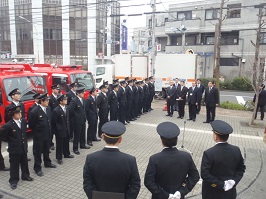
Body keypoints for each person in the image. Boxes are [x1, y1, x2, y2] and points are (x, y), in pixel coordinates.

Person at [83, 121, 141, 199]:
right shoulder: (130, 160)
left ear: (103, 137)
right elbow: (135, 185)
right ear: (120, 139)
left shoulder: (91, 158)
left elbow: (87, 183)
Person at [144, 122, 200, 199]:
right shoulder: (186, 156)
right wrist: (182, 191)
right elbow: (195, 176)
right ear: (176, 140)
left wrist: (165, 195)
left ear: (161, 139)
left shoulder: (155, 159)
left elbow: (148, 182)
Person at [201, 120, 246, 199]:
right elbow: (241, 168)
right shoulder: (236, 150)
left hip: (212, 192)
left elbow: (205, 174)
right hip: (229, 193)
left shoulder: (209, 153)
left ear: (216, 136)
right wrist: (234, 181)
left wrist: (221, 184)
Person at [0, 106, 34, 189]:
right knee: (14, 165)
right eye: (17, 113)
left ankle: (25, 175)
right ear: (13, 115)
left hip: (23, 146)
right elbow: (3, 137)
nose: (20, 114)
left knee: (24, 162)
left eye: (20, 113)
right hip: (14, 149)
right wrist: (11, 142)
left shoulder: (22, 121)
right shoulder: (8, 125)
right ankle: (13, 180)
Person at [28, 93, 57, 177]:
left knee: (46, 150)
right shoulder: (34, 111)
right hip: (39, 136)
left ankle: (47, 162)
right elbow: (31, 125)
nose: (48, 101)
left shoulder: (48, 108)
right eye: (46, 100)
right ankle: (37, 168)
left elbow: (49, 121)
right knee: (38, 153)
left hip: (47, 134)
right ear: (41, 101)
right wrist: (38, 132)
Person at [51, 94, 74, 165]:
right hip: (59, 130)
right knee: (59, 144)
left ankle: (66, 153)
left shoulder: (66, 108)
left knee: (66, 142)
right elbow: (53, 122)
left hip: (66, 129)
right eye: (64, 100)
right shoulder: (56, 110)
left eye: (66, 99)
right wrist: (56, 131)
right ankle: (59, 157)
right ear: (60, 101)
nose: (66, 101)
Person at [69, 88, 90, 155]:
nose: (83, 94)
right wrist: (74, 118)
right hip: (76, 121)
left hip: (82, 119)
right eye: (82, 93)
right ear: (78, 93)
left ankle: (82, 144)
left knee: (82, 133)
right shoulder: (74, 101)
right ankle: (75, 148)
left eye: (83, 93)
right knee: (77, 134)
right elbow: (70, 111)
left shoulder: (83, 100)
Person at [49, 84, 60, 150]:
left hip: (59, 117)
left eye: (58, 89)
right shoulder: (50, 98)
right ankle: (50, 144)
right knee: (51, 132)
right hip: (53, 117)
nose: (58, 90)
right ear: (53, 90)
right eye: (56, 89)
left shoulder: (59, 97)